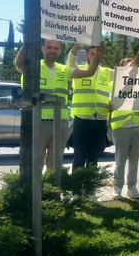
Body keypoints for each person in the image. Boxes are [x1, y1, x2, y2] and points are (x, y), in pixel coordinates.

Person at [15, 39, 103, 171]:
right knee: (36, 162)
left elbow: (89, 72)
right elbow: (19, 64)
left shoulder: (64, 69)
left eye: (56, 48)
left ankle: (52, 191)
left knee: (55, 163)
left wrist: (98, 54)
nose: (52, 51)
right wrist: (26, 42)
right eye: (49, 47)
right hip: (38, 122)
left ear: (60, 51)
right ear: (42, 49)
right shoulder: (33, 67)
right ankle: (37, 191)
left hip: (60, 124)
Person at [67, 43, 122, 171]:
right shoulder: (79, 70)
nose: (96, 56)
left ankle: (89, 188)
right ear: (86, 56)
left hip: (101, 120)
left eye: (98, 53)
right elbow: (71, 59)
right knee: (79, 157)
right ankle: (77, 188)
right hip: (82, 119)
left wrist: (138, 61)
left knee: (94, 158)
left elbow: (124, 73)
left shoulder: (107, 72)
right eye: (93, 54)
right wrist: (78, 42)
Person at [109, 48, 139, 199]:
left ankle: (132, 187)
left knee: (134, 161)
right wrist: (137, 60)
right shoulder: (113, 84)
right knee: (120, 161)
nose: (132, 69)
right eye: (128, 66)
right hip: (121, 125)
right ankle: (117, 188)